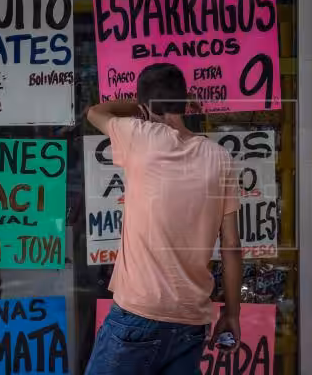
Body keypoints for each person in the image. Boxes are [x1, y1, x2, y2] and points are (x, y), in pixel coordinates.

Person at [84, 63, 242, 375]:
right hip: (191, 321)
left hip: (137, 315)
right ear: (184, 103)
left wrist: (141, 108)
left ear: (144, 107)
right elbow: (232, 246)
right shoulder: (220, 157)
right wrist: (232, 313)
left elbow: (95, 112)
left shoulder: (138, 135)